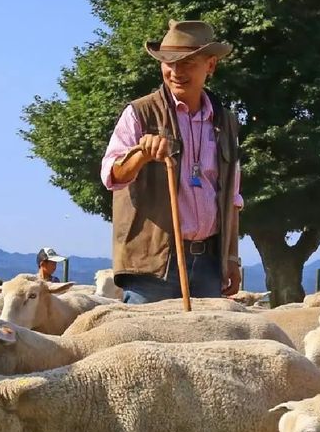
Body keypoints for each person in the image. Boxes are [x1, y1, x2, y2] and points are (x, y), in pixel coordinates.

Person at [100, 19, 243, 304]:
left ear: (210, 65)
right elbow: (112, 175)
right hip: (152, 268)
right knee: (144, 346)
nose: (176, 72)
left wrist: (231, 257)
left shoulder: (226, 122)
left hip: (208, 265)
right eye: (168, 62)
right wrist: (141, 154)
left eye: (188, 63)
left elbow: (232, 198)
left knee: (204, 347)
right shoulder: (139, 113)